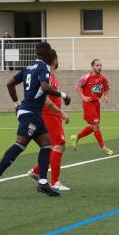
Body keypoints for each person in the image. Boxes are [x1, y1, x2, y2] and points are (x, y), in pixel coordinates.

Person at [0, 42, 71, 197]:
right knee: (20, 145)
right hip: (31, 113)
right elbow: (45, 88)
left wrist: (16, 104)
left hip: (31, 112)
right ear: (47, 54)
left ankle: (43, 183)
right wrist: (64, 96)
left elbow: (10, 83)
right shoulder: (43, 68)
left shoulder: (28, 67)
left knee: (46, 145)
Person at [27, 49, 71, 191]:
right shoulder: (46, 76)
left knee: (55, 146)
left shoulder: (51, 75)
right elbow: (44, 99)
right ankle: (54, 182)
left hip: (53, 115)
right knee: (59, 146)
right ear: (54, 59)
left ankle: (36, 171)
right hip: (49, 115)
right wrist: (61, 112)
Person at [71, 59, 113, 155]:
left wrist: (106, 96)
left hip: (96, 103)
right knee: (96, 126)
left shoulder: (103, 77)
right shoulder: (86, 77)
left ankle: (76, 137)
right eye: (97, 65)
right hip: (88, 104)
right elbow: (77, 88)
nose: (99, 67)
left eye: (100, 65)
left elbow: (107, 88)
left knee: (93, 126)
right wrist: (83, 97)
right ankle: (103, 147)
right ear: (93, 67)